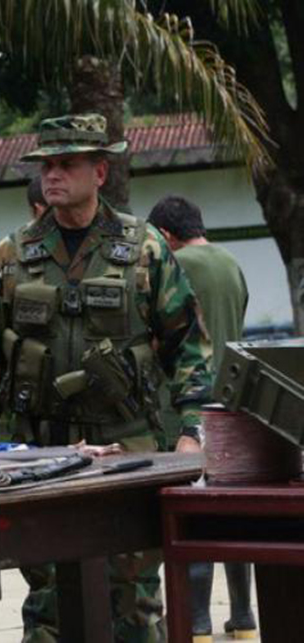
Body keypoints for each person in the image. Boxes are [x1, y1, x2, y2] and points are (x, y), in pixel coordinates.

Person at [0, 114, 213, 642]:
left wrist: (192, 430)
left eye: (67, 164)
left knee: (135, 609)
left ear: (100, 172)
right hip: (42, 460)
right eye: (47, 165)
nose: (53, 175)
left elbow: (187, 346)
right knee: (49, 607)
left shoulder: (145, 249)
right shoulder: (11, 257)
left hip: (128, 452)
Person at [148, 195, 255, 642]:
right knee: (235, 516)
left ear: (168, 236)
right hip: (235, 407)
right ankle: (244, 618)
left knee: (191, 516)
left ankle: (196, 625)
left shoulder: (176, 266)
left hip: (188, 408)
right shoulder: (231, 262)